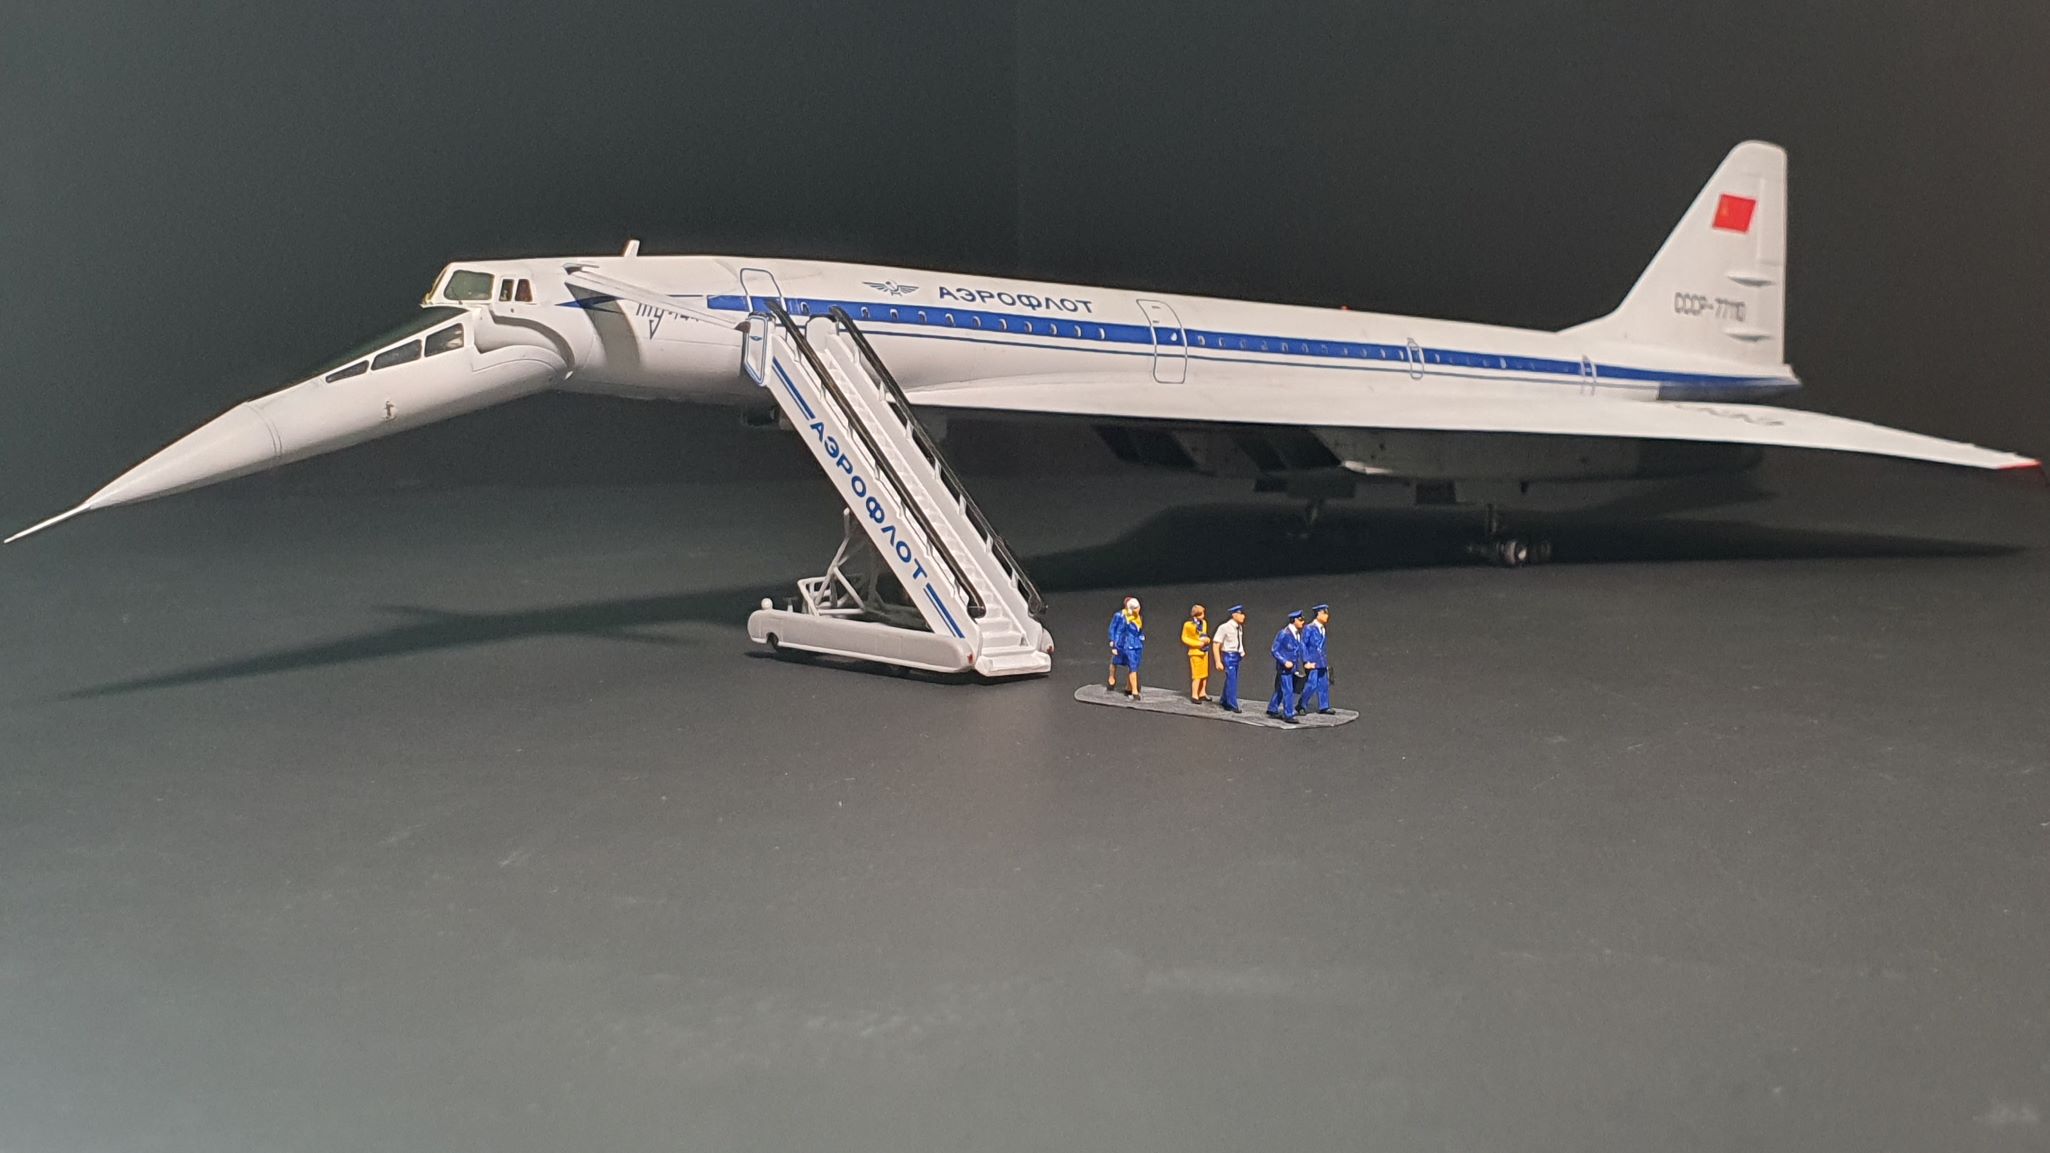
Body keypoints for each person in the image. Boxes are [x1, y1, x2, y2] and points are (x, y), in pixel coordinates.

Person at [1268, 610, 1308, 724]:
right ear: (1294, 620)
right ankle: (1288, 714)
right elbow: (1275, 650)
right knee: (1288, 690)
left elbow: (1299, 649)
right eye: (1300, 620)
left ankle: (1272, 708)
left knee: (1280, 689)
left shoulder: (1297, 634)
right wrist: (1284, 662)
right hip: (1284, 668)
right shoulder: (1284, 633)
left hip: (1292, 668)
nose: (1303, 622)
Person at [1298, 604, 1335, 715]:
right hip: (1312, 661)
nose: (1327, 616)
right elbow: (1303, 645)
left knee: (1324, 684)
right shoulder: (1309, 628)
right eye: (1324, 613)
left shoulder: (1322, 629)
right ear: (1318, 614)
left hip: (1321, 661)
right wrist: (1306, 661)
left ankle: (1324, 706)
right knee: (1311, 684)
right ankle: (1301, 705)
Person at [1106, 596, 1146, 699]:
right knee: (1115, 661)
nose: (1138, 609)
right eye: (1136, 607)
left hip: (1136, 645)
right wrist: (1113, 643)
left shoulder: (1138, 617)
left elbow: (1139, 630)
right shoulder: (1121, 616)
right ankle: (1112, 678)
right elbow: (1115, 630)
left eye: (1138, 607)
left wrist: (1141, 636)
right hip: (1123, 644)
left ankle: (1130, 688)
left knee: (1133, 666)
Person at [1211, 604, 1246, 713]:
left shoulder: (1239, 627)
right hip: (1228, 656)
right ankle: (1232, 704)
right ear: (1234, 615)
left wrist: (1241, 652)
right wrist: (1218, 661)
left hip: (1236, 656)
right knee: (1232, 681)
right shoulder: (1224, 627)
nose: (1243, 616)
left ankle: (1224, 699)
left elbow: (1238, 641)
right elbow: (1216, 644)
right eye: (1240, 614)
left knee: (1231, 679)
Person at [1181, 604, 1211, 703]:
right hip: (1195, 652)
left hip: (1204, 651)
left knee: (1204, 674)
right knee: (1197, 675)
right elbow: (1184, 638)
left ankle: (1202, 692)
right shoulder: (1188, 625)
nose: (1203, 616)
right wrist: (1198, 644)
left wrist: (1207, 640)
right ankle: (1194, 695)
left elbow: (1204, 634)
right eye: (1201, 614)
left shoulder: (1204, 623)